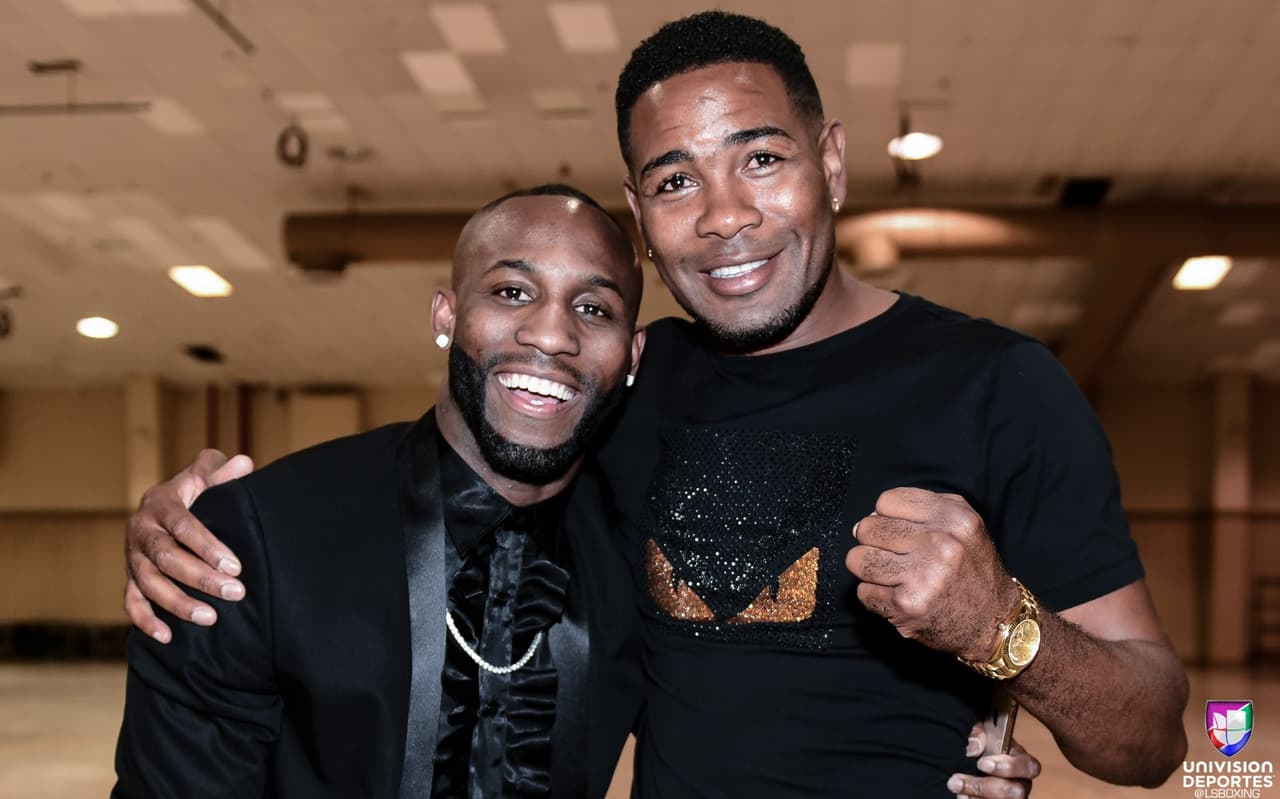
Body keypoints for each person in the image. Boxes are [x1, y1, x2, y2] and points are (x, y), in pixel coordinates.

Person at [120, 10, 1174, 798]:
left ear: (833, 164)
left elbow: (1154, 739)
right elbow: (460, 461)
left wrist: (1003, 631)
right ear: (640, 211)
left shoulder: (997, 385)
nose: (722, 218)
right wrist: (201, 522)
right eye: (674, 182)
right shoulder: (629, 383)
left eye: (759, 159)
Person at [114, 185, 649, 798]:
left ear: (632, 356)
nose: (552, 334)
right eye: (512, 292)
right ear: (445, 316)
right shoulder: (257, 537)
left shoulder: (643, 556)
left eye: (595, 309)